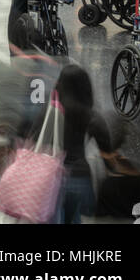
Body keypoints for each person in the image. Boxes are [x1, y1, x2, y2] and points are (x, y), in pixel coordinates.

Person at [53, 65, 112, 225]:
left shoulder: (51, 113)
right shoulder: (92, 117)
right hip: (80, 180)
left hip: (52, 180)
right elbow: (107, 153)